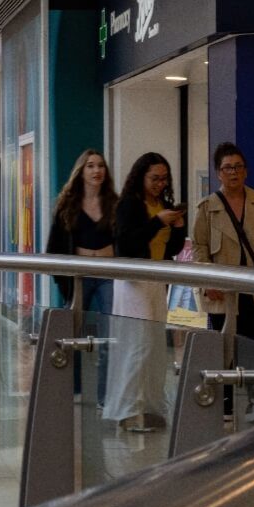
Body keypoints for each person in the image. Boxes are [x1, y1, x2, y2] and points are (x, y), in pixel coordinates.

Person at [102, 152, 186, 431]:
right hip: (134, 282)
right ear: (141, 177)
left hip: (156, 279)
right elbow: (127, 245)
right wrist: (158, 222)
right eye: (154, 178)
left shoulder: (164, 205)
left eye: (164, 178)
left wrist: (176, 227)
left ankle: (151, 408)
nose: (160, 184)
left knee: (155, 348)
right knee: (137, 345)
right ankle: (126, 411)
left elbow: (172, 249)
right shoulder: (129, 205)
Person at [192, 142, 254, 345]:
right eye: (228, 167)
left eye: (239, 166)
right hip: (223, 292)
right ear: (219, 173)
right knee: (226, 352)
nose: (234, 172)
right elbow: (199, 247)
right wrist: (206, 282)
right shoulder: (207, 208)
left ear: (246, 171)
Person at [46, 149, 118, 405]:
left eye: (100, 166)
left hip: (109, 274)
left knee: (110, 333)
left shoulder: (114, 203)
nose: (96, 170)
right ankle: (68, 389)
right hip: (79, 274)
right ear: (81, 171)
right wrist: (62, 278)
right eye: (90, 166)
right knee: (69, 332)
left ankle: (104, 397)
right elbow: (53, 247)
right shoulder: (68, 205)